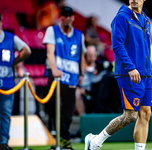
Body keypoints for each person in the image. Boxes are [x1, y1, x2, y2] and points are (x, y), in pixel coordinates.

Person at [84, 0, 152, 150]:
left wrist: (148, 71)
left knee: (146, 113)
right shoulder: (121, 17)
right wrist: (130, 67)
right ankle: (95, 141)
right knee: (130, 115)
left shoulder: (146, 19)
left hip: (145, 74)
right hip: (129, 73)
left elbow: (145, 49)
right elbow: (117, 45)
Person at [43, 6, 86, 150]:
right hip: (56, 75)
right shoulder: (52, 30)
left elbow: (81, 56)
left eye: (70, 15)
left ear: (73, 17)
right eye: (65, 15)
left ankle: (65, 138)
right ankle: (60, 138)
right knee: (53, 106)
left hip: (72, 76)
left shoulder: (79, 35)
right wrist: (54, 70)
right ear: (61, 17)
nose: (67, 17)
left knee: (68, 110)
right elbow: (50, 52)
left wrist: (81, 74)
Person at [0, 13, 31, 150]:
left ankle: (3, 143)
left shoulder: (11, 38)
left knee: (6, 114)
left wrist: (15, 62)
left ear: (1, 22)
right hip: (7, 83)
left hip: (7, 84)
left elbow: (27, 50)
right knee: (5, 114)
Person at [75, 45, 97, 115]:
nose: (91, 57)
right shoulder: (80, 69)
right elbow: (75, 84)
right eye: (89, 55)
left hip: (96, 92)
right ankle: (83, 117)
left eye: (92, 55)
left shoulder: (100, 67)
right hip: (83, 92)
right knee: (76, 93)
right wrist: (79, 89)